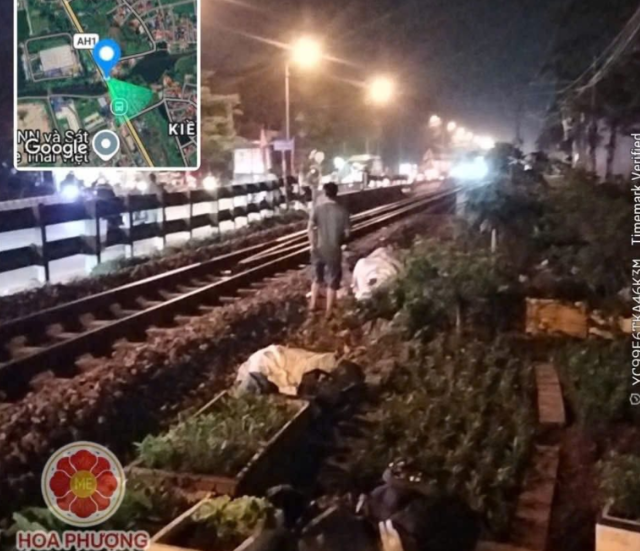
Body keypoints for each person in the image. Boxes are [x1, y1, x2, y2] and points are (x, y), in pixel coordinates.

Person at [308, 183, 350, 317]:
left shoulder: (317, 209)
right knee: (332, 281)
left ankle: (312, 305)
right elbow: (347, 234)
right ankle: (328, 312)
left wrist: (312, 244)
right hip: (333, 250)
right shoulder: (343, 211)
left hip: (318, 249)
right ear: (336, 194)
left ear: (325, 193)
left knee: (316, 278)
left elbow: (310, 228)